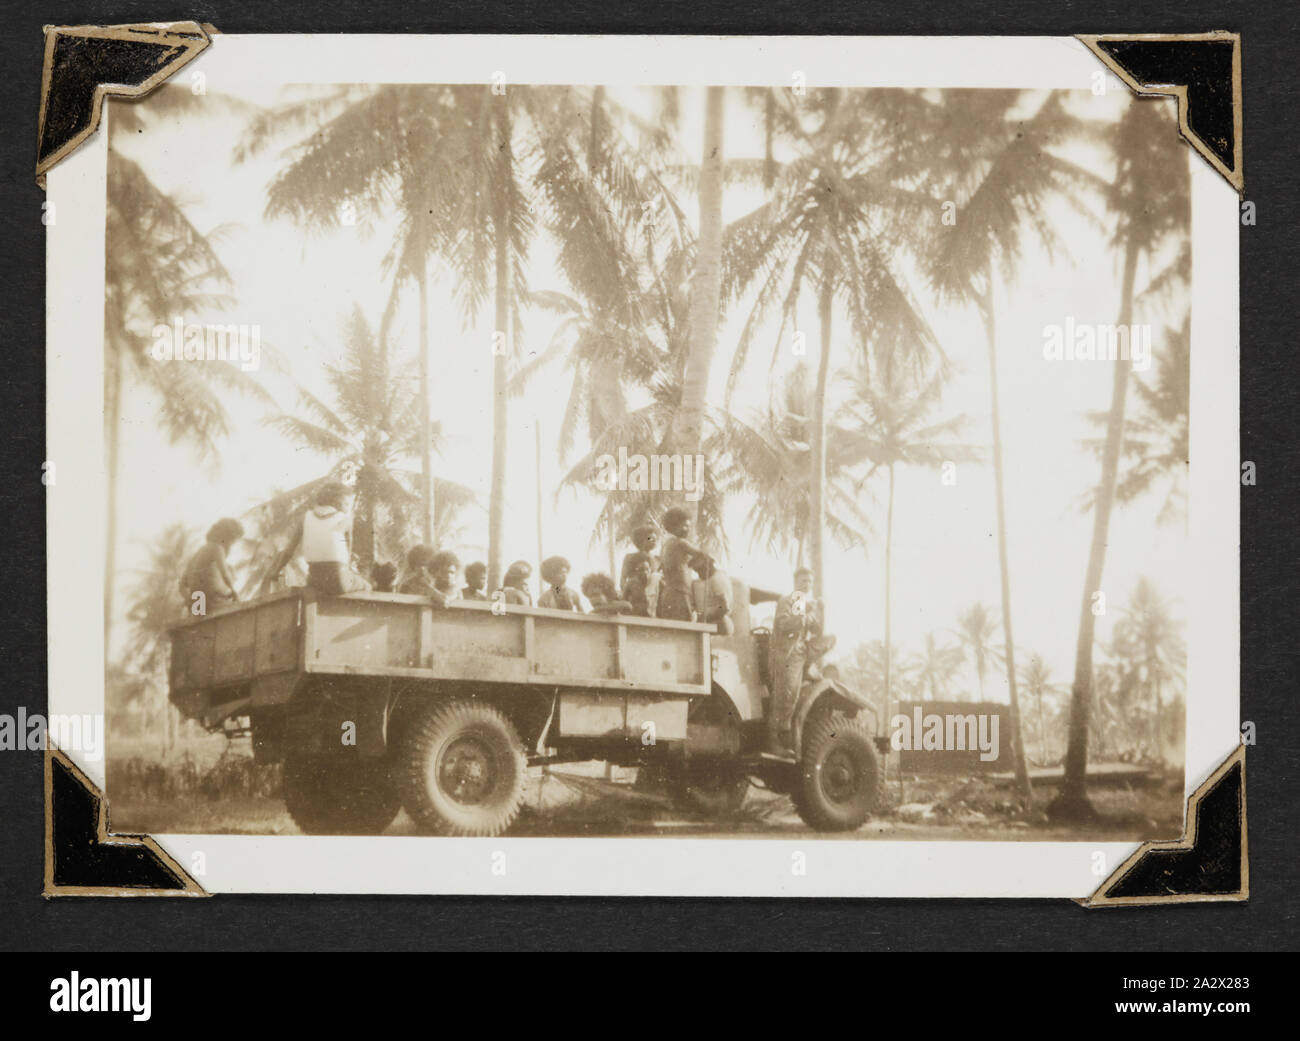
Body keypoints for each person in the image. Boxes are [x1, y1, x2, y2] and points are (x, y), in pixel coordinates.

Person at [267, 482, 371, 596]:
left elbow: (288, 551)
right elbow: (347, 557)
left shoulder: (305, 517)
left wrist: (275, 572)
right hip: (339, 581)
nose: (348, 508)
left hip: (313, 581)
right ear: (339, 502)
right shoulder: (344, 519)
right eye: (347, 504)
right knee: (367, 586)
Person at [766, 567, 823, 755]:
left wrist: (819, 611)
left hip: (800, 651)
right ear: (796, 582)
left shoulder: (805, 602)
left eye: (809, 582)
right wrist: (805, 615)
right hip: (786, 652)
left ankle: (809, 666)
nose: (807, 585)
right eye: (803, 581)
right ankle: (776, 741)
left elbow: (817, 629)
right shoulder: (788, 600)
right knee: (786, 695)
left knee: (794, 695)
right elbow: (784, 625)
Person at [180, 517, 244, 614]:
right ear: (227, 538)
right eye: (232, 542)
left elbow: (181, 585)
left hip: (197, 603)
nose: (231, 545)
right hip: (211, 601)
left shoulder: (196, 554)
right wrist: (234, 592)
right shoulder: (217, 548)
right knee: (230, 569)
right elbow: (225, 574)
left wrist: (189, 599)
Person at [657, 507, 707, 622]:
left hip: (669, 592)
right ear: (673, 526)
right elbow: (701, 554)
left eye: (688, 526)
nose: (687, 530)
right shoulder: (681, 543)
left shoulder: (665, 545)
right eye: (684, 526)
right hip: (680, 592)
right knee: (685, 626)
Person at [619, 524, 660, 618]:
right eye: (650, 538)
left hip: (653, 601)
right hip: (635, 598)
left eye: (655, 538)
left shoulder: (658, 559)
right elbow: (623, 580)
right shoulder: (630, 557)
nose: (654, 541)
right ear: (641, 539)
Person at [691, 555, 734, 635]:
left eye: (700, 570)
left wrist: (706, 619)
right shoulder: (698, 582)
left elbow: (724, 607)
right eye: (696, 571)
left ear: (708, 566)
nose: (699, 574)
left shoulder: (717, 579)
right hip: (706, 624)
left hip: (719, 624)